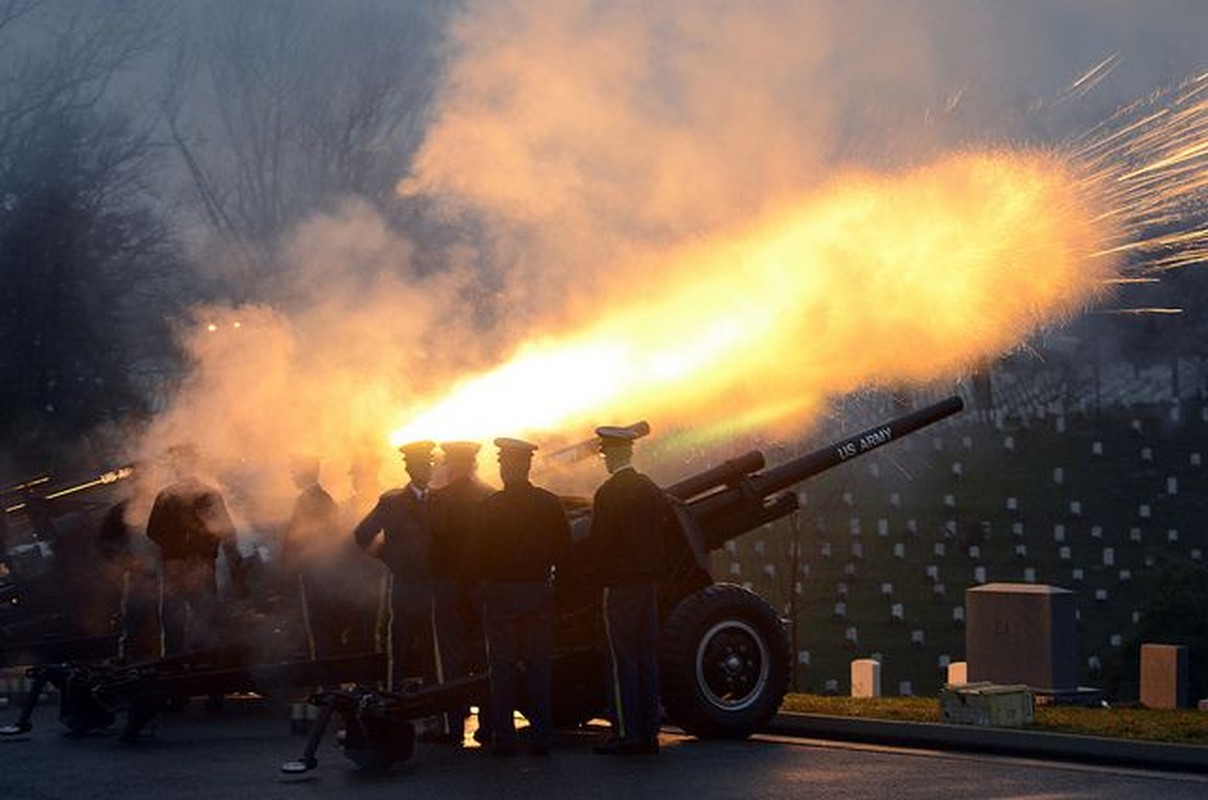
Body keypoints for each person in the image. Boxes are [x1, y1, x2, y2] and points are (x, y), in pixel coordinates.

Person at [472, 438, 571, 757]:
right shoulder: (549, 503)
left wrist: (482, 590)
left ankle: (505, 738)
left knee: (502, 672)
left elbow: (475, 556)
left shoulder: (489, 507)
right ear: (526, 467)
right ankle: (543, 736)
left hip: (501, 597)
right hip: (538, 593)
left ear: (506, 468)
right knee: (539, 668)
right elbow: (564, 551)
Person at [589, 425, 673, 756]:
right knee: (646, 659)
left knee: (621, 661)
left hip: (621, 588)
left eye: (607, 455)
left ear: (612, 455)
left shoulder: (608, 493)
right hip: (648, 586)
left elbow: (599, 544)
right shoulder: (650, 489)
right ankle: (650, 731)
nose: (606, 460)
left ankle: (626, 732)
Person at [145, 443, 244, 656]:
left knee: (174, 623)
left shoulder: (166, 496)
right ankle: (206, 664)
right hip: (200, 565)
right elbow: (226, 531)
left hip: (176, 567)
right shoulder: (209, 495)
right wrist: (232, 562)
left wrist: (174, 548)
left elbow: (152, 531)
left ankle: (174, 668)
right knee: (206, 618)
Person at [353, 440, 435, 691]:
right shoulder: (392, 502)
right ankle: (394, 694)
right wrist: (390, 557)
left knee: (431, 646)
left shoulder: (439, 501)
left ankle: (433, 697)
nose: (427, 470)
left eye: (429, 464)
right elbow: (363, 534)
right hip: (404, 584)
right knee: (398, 644)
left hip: (432, 583)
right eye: (422, 465)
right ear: (410, 469)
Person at [429, 441, 495, 745]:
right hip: (482, 586)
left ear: (451, 466)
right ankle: (489, 724)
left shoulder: (438, 500)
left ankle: (452, 726)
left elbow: (431, 543)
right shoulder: (491, 497)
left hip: (448, 587)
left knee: (451, 659)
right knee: (485, 655)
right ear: (474, 465)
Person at [280, 456, 341, 659]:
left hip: (315, 571)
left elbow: (299, 537)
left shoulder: (309, 499)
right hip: (323, 571)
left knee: (320, 627)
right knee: (324, 628)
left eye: (294, 470)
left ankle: (325, 680)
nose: (292, 475)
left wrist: (289, 566)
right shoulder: (323, 497)